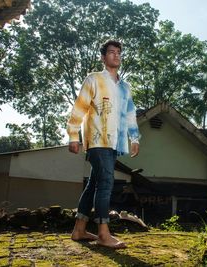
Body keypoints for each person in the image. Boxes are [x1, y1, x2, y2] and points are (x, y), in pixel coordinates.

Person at [66, 40, 140, 249]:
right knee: (106, 183)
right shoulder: (94, 79)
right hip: (97, 140)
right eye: (111, 52)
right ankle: (103, 233)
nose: (116, 56)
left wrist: (134, 138)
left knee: (94, 185)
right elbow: (79, 107)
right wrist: (73, 135)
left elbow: (130, 114)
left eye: (118, 52)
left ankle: (79, 229)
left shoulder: (125, 87)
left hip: (115, 142)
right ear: (103, 57)